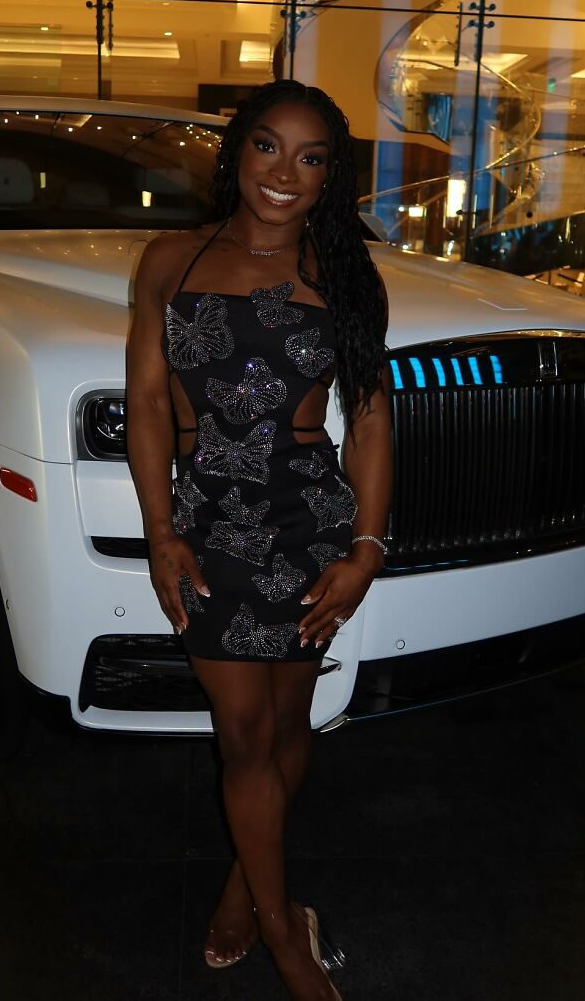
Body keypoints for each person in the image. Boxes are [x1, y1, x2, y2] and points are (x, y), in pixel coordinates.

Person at [126, 79, 392, 1001]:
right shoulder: (169, 260)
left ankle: (249, 879)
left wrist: (365, 548)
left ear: (331, 176)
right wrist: (161, 533)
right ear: (237, 152)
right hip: (209, 521)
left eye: (311, 157)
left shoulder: (346, 271)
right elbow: (150, 404)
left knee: (288, 721)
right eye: (269, 147)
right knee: (241, 732)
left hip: (309, 519)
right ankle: (286, 932)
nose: (286, 172)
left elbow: (368, 420)